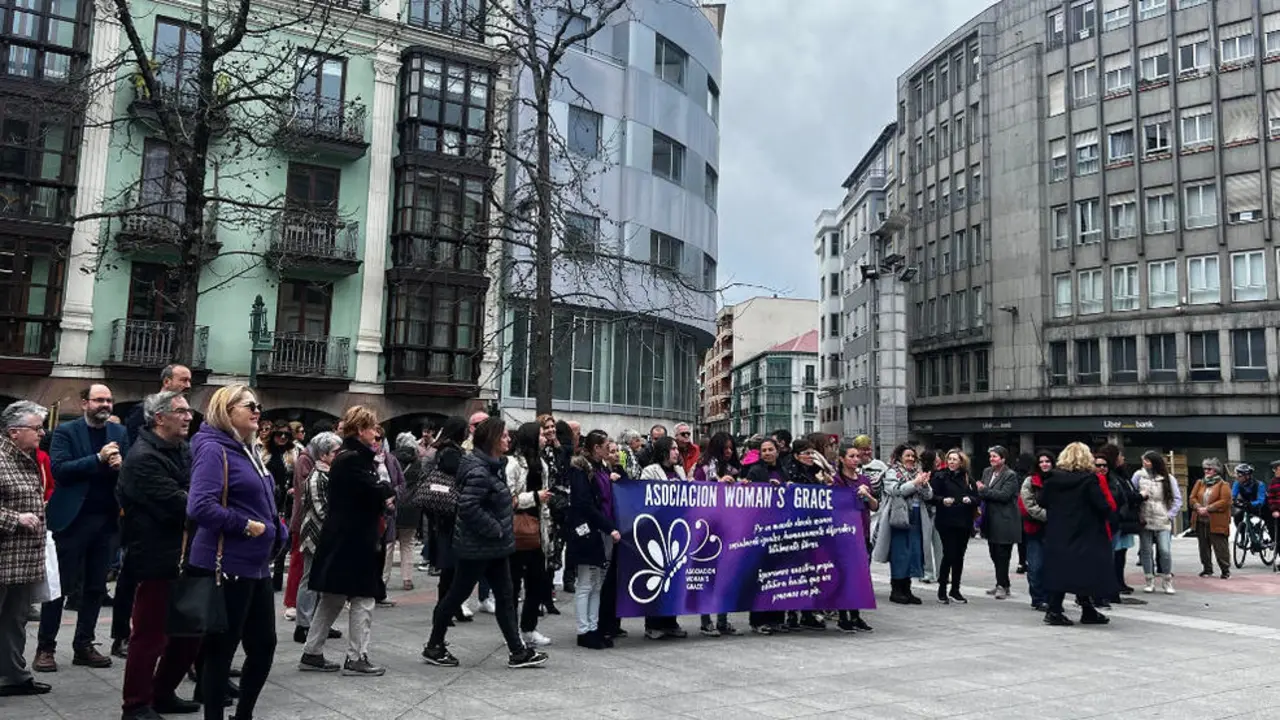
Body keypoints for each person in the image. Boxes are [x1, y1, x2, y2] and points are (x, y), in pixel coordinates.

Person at [187, 384, 288, 719]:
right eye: (249, 405)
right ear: (226, 411)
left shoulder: (248, 449)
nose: (257, 410)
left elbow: (261, 497)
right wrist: (246, 526)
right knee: (220, 650)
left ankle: (243, 714)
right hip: (225, 563)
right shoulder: (214, 449)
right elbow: (200, 506)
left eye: (258, 405)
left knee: (264, 646)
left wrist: (277, 526)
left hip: (255, 565)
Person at [421, 418, 547, 669]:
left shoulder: (493, 466)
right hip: (477, 547)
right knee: (456, 595)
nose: (508, 440)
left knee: (504, 596)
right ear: (491, 440)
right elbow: (468, 507)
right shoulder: (480, 470)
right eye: (503, 437)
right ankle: (434, 645)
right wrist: (496, 528)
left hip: (494, 547)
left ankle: (517, 651)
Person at [117, 391, 203, 719]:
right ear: (159, 418)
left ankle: (163, 693)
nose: (188, 417)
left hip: (185, 553)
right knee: (149, 635)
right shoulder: (143, 457)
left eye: (188, 411)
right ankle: (136, 704)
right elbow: (182, 503)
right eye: (180, 411)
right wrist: (195, 496)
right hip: (155, 555)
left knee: (188, 634)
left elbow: (195, 492)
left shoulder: (183, 450)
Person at [37, 383, 128, 672]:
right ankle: (45, 648)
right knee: (59, 588)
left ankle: (84, 644)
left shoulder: (120, 433)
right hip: (72, 520)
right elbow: (60, 470)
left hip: (105, 520)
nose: (105, 404)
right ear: (84, 403)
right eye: (99, 400)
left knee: (95, 586)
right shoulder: (66, 432)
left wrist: (121, 467)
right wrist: (98, 459)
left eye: (109, 400)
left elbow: (128, 473)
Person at [300, 406, 395, 677]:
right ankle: (357, 657)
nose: (377, 434)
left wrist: (380, 489)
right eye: (373, 428)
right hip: (355, 540)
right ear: (361, 429)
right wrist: (384, 491)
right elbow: (374, 491)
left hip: (341, 539)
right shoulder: (354, 459)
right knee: (364, 597)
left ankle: (312, 651)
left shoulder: (348, 457)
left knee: (332, 597)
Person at [0, 401, 52, 698]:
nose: (41, 433)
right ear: (14, 432)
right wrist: (15, 518)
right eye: (36, 428)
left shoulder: (25, 456)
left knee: (15, 619)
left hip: (21, 559)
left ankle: (14, 676)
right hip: (4, 554)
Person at [1040, 442, 1117, 627]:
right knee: (1085, 571)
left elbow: (1042, 501)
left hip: (1058, 531)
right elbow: (1101, 505)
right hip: (1084, 532)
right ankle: (1081, 609)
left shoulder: (1052, 478)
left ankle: (1056, 609)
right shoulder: (1089, 480)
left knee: (1060, 570)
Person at [565, 430, 621, 649]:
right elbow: (584, 504)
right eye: (607, 446)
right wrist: (608, 526)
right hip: (587, 531)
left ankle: (593, 626)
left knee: (597, 582)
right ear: (596, 448)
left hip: (600, 529)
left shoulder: (601, 468)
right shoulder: (581, 469)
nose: (610, 450)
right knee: (586, 582)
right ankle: (583, 630)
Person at [504, 422, 553, 649]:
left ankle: (529, 627)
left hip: (537, 530)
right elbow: (509, 498)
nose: (545, 438)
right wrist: (535, 497)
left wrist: (548, 530)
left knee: (537, 582)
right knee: (512, 586)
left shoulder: (542, 464)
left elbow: (544, 504)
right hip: (516, 530)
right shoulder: (513, 464)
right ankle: (513, 632)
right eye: (542, 434)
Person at [293, 432, 343, 644]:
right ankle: (303, 625)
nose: (338, 455)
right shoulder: (316, 477)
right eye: (335, 452)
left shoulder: (328, 474)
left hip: (324, 534)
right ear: (323, 455)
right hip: (316, 534)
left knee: (321, 579)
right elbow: (321, 509)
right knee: (309, 578)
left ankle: (319, 623)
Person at [638, 436, 689, 639]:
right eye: (673, 449)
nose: (677, 452)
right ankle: (653, 624)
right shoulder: (650, 471)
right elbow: (644, 496)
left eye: (677, 449)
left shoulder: (679, 471)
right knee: (657, 577)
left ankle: (671, 621)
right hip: (658, 530)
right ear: (663, 451)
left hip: (676, 530)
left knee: (674, 578)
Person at [426, 417, 475, 625]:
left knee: (451, 568)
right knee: (450, 568)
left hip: (444, 514)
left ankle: (449, 607)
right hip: (449, 515)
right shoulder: (451, 453)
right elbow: (459, 475)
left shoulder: (444, 449)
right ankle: (445, 609)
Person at [873, 444, 934, 605]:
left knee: (914, 552)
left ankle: (907, 589)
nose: (911, 459)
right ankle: (896, 589)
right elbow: (895, 490)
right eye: (907, 456)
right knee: (899, 553)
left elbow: (928, 495)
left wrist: (924, 484)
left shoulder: (917, 473)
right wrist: (915, 483)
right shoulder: (892, 472)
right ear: (900, 456)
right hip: (898, 517)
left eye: (913, 456)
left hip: (916, 516)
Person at [833, 443, 876, 633]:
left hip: (862, 530)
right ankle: (843, 616)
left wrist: (866, 495)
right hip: (843, 534)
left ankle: (856, 615)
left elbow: (875, 506)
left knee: (860, 575)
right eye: (851, 456)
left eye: (857, 456)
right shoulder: (836, 480)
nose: (856, 460)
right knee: (844, 575)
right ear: (842, 459)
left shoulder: (863, 479)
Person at [746, 439, 787, 634]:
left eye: (771, 449)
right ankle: (758, 620)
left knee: (779, 577)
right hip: (761, 530)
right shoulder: (755, 471)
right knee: (761, 578)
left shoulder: (784, 470)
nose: (768, 453)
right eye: (764, 450)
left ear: (777, 452)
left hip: (781, 529)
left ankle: (777, 618)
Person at [930, 449, 978, 605]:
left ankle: (955, 589)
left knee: (959, 556)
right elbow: (931, 496)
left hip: (963, 521)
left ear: (961, 462)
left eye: (954, 459)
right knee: (949, 554)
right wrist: (942, 500)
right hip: (946, 521)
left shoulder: (967, 478)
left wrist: (969, 499)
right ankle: (942, 587)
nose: (951, 462)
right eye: (949, 459)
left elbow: (977, 498)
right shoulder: (940, 476)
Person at [1095, 443, 1139, 600]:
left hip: (1121, 519)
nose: (1123, 458)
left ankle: (1118, 582)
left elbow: (1123, 498)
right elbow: (1126, 495)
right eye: (1120, 455)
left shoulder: (1120, 476)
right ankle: (1111, 584)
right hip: (1111, 522)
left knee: (1121, 552)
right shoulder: (1111, 478)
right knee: (1114, 554)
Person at [977, 446, 1022, 600]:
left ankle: (1002, 585)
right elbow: (982, 492)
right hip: (990, 519)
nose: (992, 459)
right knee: (993, 553)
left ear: (1003, 459)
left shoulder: (1010, 475)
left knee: (1003, 554)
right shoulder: (987, 472)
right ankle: (1002, 583)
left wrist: (984, 490)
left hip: (1005, 520)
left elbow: (1004, 495)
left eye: (995, 456)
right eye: (991, 456)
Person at [1133, 451, 1179, 595]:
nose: (1144, 463)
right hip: (1144, 517)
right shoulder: (1138, 476)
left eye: (1147, 460)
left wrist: (1170, 515)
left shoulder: (1168, 478)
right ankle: (1149, 580)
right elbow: (1132, 495)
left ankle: (1167, 579)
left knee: (1165, 550)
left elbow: (1177, 498)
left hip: (1162, 518)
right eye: (1143, 460)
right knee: (1146, 551)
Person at [1019, 451, 1054, 611]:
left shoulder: (1058, 479)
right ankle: (1038, 598)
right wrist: (1050, 516)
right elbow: (1029, 505)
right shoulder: (1030, 481)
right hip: (1035, 529)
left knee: (1051, 566)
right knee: (1036, 566)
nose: (1045, 464)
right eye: (1042, 462)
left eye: (1047, 461)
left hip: (1054, 531)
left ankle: (1050, 597)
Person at [1189, 458, 1232, 579]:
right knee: (1203, 546)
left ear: (1216, 470)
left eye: (1209, 469)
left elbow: (1225, 501)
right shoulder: (1199, 483)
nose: (1206, 471)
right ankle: (1207, 569)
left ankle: (1225, 570)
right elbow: (1192, 498)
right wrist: (1197, 506)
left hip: (1217, 521)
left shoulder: (1223, 485)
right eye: (1205, 469)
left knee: (1220, 546)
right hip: (1200, 520)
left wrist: (1208, 508)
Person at [391, 433, 421, 591]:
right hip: (412, 506)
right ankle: (407, 579)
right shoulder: (418, 462)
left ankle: (383, 578)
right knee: (407, 543)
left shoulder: (391, 458)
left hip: (394, 504)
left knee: (389, 544)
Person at [1232, 463, 1268, 552]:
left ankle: (1269, 539)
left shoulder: (1260, 484)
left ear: (1247, 476)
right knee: (1237, 516)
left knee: (1268, 520)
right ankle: (1243, 537)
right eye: (1237, 475)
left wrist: (1251, 504)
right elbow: (1232, 496)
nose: (1237, 477)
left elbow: (1261, 500)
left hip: (1261, 507)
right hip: (1246, 505)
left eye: (1239, 475)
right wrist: (1234, 501)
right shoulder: (1237, 483)